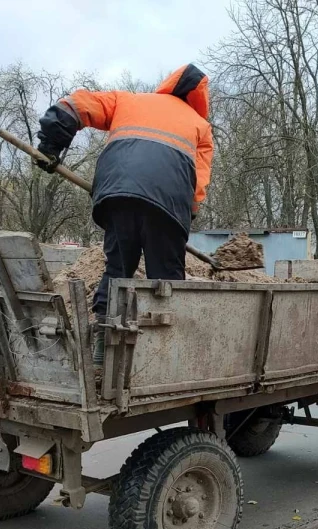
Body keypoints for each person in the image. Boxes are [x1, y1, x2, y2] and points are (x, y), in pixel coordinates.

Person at [35, 64, 214, 363]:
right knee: (166, 277)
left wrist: (51, 146)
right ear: (200, 100)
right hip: (168, 202)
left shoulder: (128, 100)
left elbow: (75, 106)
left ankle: (102, 347)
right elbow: (198, 182)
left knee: (117, 267)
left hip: (115, 193)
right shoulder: (200, 126)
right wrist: (186, 214)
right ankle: (163, 359)